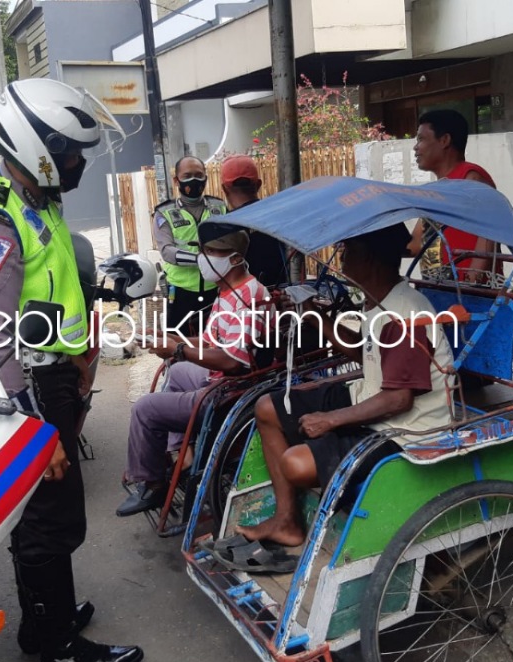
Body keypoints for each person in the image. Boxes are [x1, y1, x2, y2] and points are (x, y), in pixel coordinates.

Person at [0, 78, 142, 662]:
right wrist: (34, 430)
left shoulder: (36, 201)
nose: (79, 163)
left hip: (53, 377)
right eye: (71, 152)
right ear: (38, 149)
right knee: (47, 522)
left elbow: (52, 290)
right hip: (25, 389)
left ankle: (43, 622)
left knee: (47, 516)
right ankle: (59, 650)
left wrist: (79, 355)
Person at [210, 225, 453, 567]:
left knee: (294, 463)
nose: (342, 259)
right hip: (371, 396)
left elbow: (399, 399)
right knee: (267, 407)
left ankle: (308, 508)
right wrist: (313, 313)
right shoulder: (379, 300)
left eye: (348, 251)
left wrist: (331, 420)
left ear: (368, 258)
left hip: (404, 429)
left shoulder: (404, 314)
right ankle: (286, 521)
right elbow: (362, 351)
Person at [117, 229, 269, 517]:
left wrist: (178, 350)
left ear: (235, 259)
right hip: (220, 379)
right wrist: (170, 339)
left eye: (210, 253)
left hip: (230, 391)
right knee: (177, 372)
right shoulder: (228, 290)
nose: (202, 259)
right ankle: (183, 457)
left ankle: (153, 484)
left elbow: (233, 362)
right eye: (202, 251)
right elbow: (210, 341)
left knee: (145, 409)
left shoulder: (248, 297)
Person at [407, 109, 499, 283]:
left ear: (444, 140)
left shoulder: (471, 178)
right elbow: (415, 244)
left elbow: (490, 233)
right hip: (436, 289)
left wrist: (472, 281)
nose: (416, 147)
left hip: (466, 291)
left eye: (421, 139)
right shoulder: (437, 190)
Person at [153, 156, 228, 334]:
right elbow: (167, 251)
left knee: (216, 342)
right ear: (176, 180)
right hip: (180, 293)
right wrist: (200, 260)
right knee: (177, 343)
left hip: (216, 290)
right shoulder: (164, 212)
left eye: (198, 175)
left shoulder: (220, 208)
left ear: (206, 178)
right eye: (187, 176)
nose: (194, 180)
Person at [219, 155, 290, 289]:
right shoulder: (278, 216)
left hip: (242, 297)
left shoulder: (224, 227)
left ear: (224, 189)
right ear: (258, 185)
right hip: (281, 294)